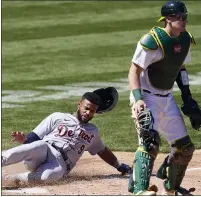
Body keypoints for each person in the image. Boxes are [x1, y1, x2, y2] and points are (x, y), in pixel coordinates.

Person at [127, 1, 201, 195]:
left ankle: (171, 188)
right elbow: (134, 72)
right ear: (168, 19)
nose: (184, 20)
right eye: (179, 17)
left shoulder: (185, 40)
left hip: (166, 99)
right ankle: (139, 190)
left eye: (185, 16)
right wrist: (138, 98)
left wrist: (188, 99)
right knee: (149, 143)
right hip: (146, 98)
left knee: (185, 149)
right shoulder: (152, 41)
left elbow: (180, 68)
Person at [2, 87, 131, 187]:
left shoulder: (93, 132)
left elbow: (102, 151)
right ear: (79, 104)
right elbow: (34, 137)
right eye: (86, 108)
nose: (88, 112)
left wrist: (119, 166)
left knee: (46, 178)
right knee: (37, 146)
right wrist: (24, 140)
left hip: (61, 164)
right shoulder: (57, 116)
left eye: (92, 111)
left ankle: (13, 178)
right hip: (46, 149)